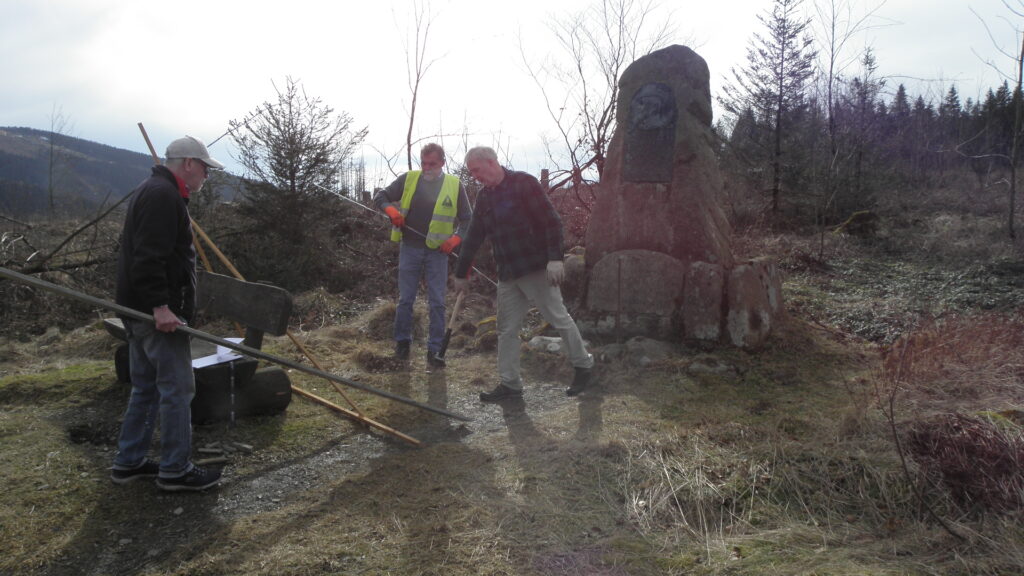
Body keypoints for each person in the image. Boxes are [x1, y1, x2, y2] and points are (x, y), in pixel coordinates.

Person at [110, 135, 223, 492]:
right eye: (204, 169)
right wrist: (161, 307)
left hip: (137, 309)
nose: (205, 177)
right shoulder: (162, 196)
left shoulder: (155, 190)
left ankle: (130, 461)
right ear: (189, 163)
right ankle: (176, 470)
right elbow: (148, 257)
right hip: (156, 316)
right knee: (177, 389)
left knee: (146, 387)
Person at [453, 146, 594, 402]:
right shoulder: (484, 197)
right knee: (506, 329)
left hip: (536, 268)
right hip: (507, 273)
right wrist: (461, 273)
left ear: (492, 162)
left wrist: (554, 258)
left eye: (477, 170)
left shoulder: (523, 183)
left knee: (558, 318)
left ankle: (584, 366)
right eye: (471, 172)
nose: (475, 176)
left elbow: (551, 221)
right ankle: (510, 384)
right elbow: (474, 236)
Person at [373, 143, 472, 368]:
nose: (427, 167)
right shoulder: (409, 179)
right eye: (424, 163)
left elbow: (468, 219)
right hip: (410, 248)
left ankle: (435, 349)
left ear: (442, 163)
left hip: (438, 253)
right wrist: (391, 211)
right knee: (405, 300)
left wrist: (455, 239)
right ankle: (402, 344)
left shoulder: (454, 185)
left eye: (432, 163)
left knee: (437, 302)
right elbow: (381, 197)